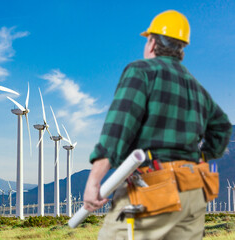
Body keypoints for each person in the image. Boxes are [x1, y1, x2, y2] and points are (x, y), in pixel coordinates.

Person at [83, 10, 232, 240]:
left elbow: (117, 130)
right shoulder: (196, 87)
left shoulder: (141, 72)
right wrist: (200, 157)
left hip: (151, 188)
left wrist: (94, 181)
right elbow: (223, 127)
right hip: (194, 191)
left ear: (152, 43)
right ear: (181, 49)